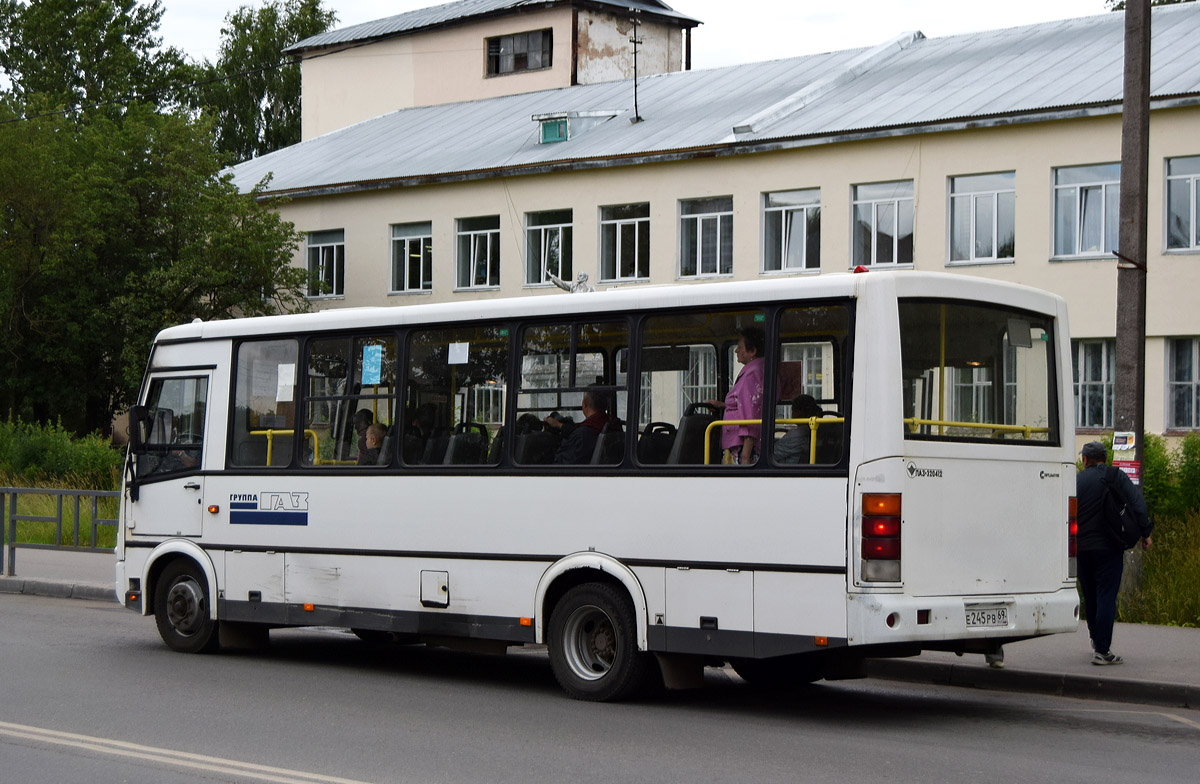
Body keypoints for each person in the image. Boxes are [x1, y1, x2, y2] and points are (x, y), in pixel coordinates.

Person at [1075, 441, 1153, 665]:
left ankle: (1095, 639)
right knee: (1106, 596)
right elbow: (1137, 503)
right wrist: (1146, 533)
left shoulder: (1076, 480)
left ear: (1086, 460)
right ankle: (1102, 650)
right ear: (1105, 459)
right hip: (1109, 547)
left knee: (1090, 596)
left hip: (1081, 548)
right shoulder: (1115, 476)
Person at [707, 327, 765, 465]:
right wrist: (724, 405)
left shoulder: (751, 374)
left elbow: (751, 415)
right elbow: (746, 404)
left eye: (740, 347)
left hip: (741, 446)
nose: (736, 350)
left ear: (752, 351)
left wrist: (745, 455)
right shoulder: (762, 368)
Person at [545, 388, 619, 464]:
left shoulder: (583, 434)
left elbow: (561, 464)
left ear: (585, 403)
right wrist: (561, 426)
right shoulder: (611, 424)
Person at [773, 394, 824, 464]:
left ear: (799, 413)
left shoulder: (796, 434)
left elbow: (772, 454)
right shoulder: (813, 430)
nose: (792, 413)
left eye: (793, 410)